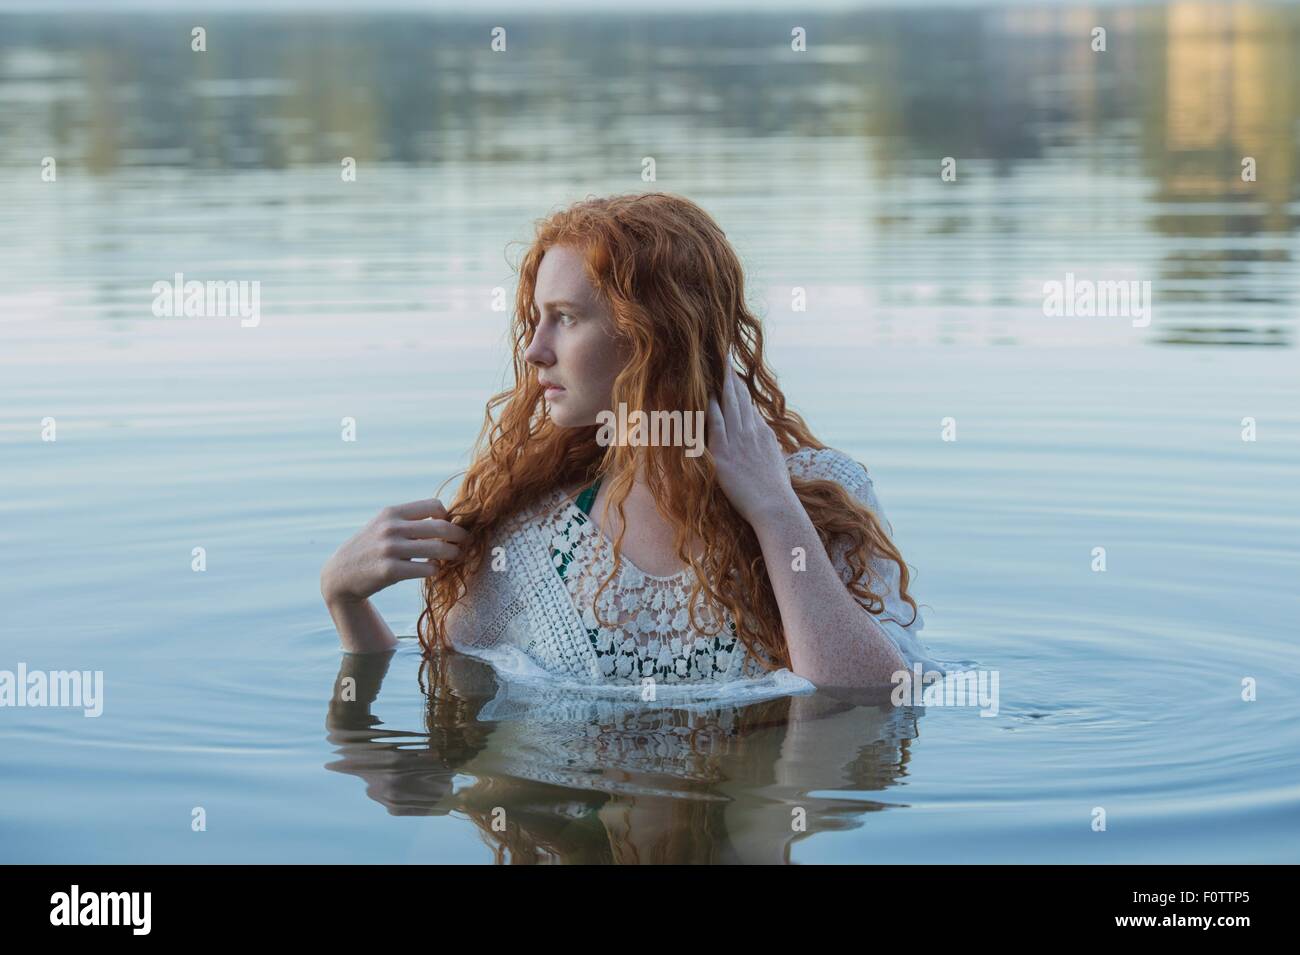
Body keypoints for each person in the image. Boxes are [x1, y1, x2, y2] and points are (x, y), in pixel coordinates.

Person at [320, 193, 943, 688]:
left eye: (565, 318)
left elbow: (869, 705)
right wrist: (343, 598)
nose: (535, 351)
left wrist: (775, 510)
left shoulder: (826, 494)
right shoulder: (529, 535)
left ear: (652, 335)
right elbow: (452, 691)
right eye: (536, 320)